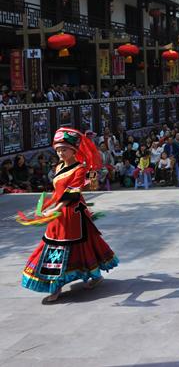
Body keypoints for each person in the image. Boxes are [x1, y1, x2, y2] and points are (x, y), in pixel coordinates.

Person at [21, 127, 118, 302]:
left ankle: (78, 280)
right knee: (57, 244)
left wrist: (56, 208)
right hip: (59, 211)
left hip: (72, 212)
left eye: (64, 149)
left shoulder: (79, 169)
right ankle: (56, 285)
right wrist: (48, 206)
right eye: (58, 150)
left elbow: (72, 193)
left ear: (74, 150)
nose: (60, 153)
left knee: (70, 245)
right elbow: (58, 191)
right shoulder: (59, 166)